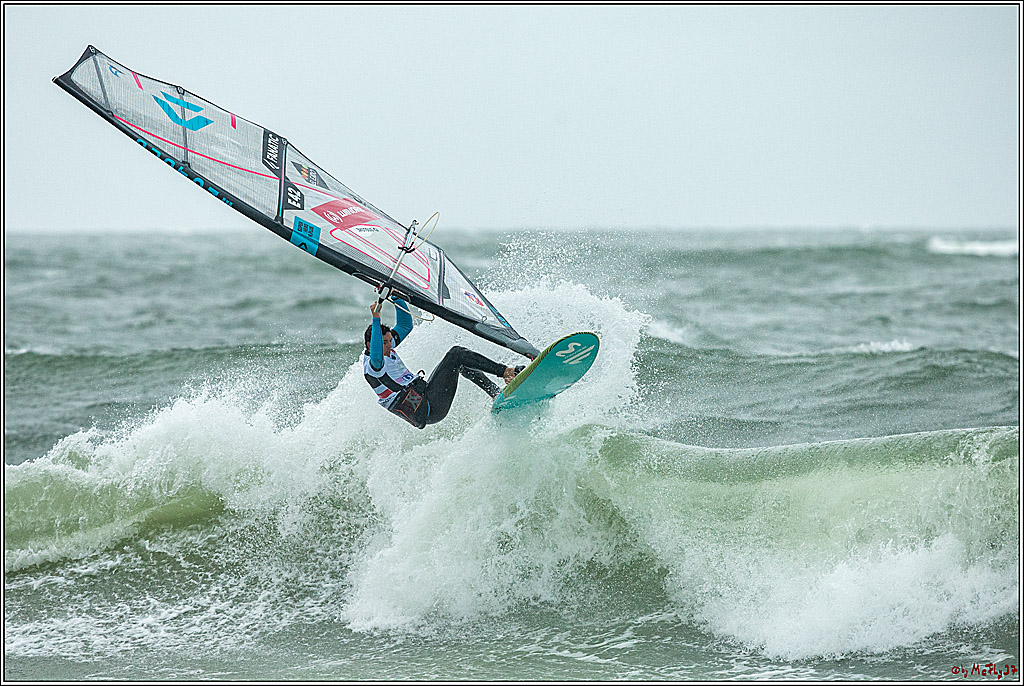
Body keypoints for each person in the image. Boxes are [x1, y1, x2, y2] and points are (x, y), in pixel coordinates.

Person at [362, 296, 523, 428]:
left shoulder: (387, 350)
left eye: (390, 341)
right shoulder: (374, 366)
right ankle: (506, 372)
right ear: (370, 344)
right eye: (385, 342)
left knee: (460, 363)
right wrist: (376, 319)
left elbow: (405, 325)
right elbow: (377, 354)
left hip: (426, 395)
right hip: (427, 408)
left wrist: (396, 297)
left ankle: (495, 393)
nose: (390, 345)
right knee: (456, 354)